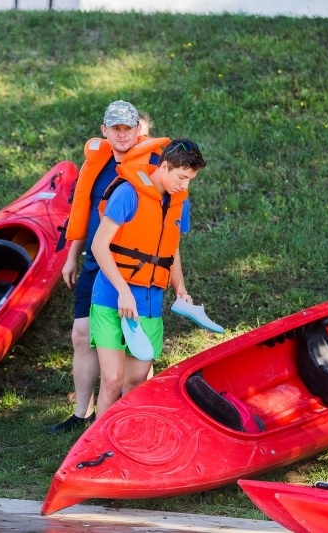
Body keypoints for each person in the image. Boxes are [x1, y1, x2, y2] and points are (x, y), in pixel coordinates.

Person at [48, 101, 169, 434]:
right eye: (116, 128)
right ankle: (81, 414)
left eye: (130, 128)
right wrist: (73, 254)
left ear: (140, 131)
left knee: (135, 345)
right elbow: (84, 211)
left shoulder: (155, 166)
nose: (123, 134)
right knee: (82, 334)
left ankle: (130, 415)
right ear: (105, 131)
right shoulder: (98, 164)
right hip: (94, 264)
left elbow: (168, 222)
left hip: (133, 270)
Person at [90, 139, 207, 417]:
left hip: (150, 300)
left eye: (190, 180)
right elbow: (98, 245)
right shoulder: (128, 193)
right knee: (112, 380)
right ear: (164, 165)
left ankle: (124, 439)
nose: (184, 186)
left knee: (135, 382)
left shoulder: (180, 201)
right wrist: (123, 290)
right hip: (110, 295)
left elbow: (171, 249)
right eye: (181, 177)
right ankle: (95, 450)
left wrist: (180, 289)